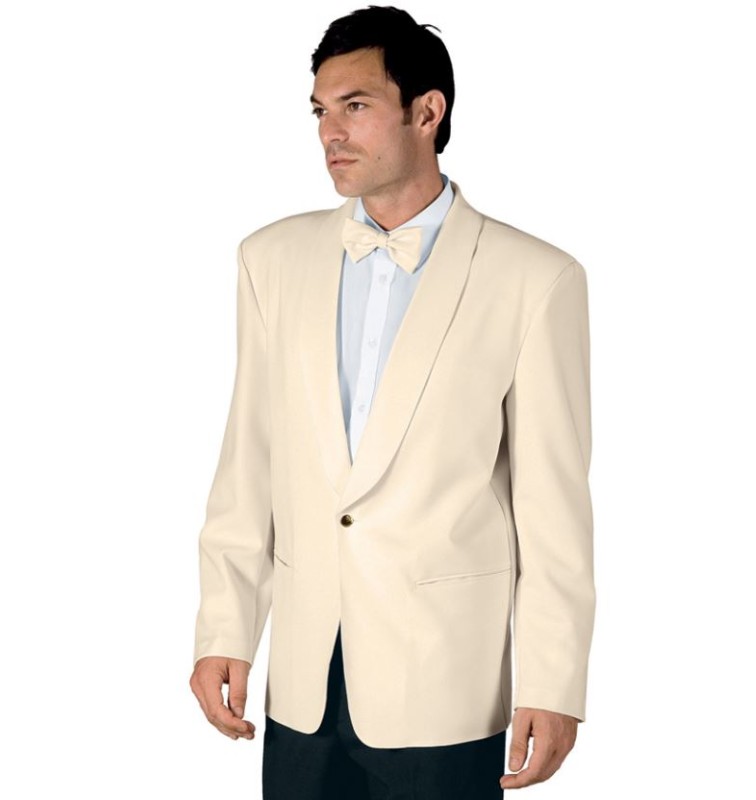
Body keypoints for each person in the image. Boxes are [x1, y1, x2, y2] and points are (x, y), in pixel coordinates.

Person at [189, 5, 595, 798]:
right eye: (320, 110)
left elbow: (553, 506)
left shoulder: (535, 280)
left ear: (427, 112)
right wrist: (224, 629)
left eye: (356, 105)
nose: (330, 132)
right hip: (303, 680)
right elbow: (248, 464)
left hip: (444, 681)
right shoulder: (270, 260)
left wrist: (554, 682)